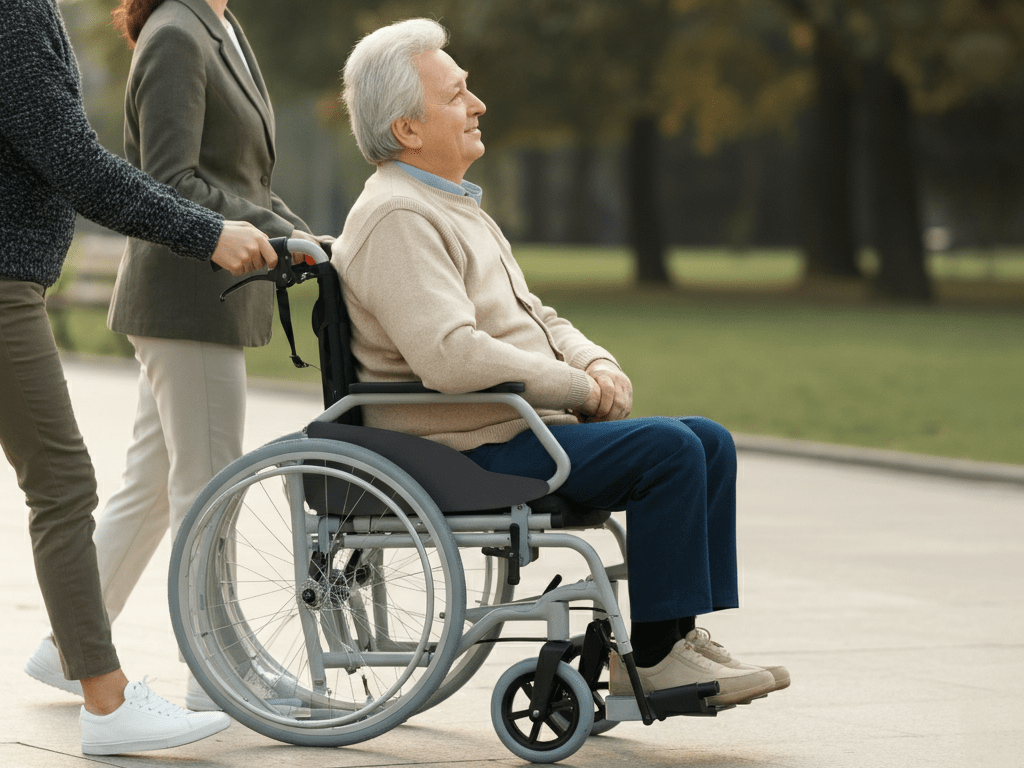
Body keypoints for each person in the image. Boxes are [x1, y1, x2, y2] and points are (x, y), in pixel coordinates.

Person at [332, 18, 790, 707]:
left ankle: (676, 643)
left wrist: (597, 363)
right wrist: (576, 386)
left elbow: (535, 315)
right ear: (407, 130)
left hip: (518, 429)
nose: (477, 104)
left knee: (707, 440)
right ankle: (659, 661)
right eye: (457, 94)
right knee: (670, 450)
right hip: (468, 449)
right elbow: (450, 356)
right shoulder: (397, 216)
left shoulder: (452, 206)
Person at [23, 0, 327, 713]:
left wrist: (301, 235)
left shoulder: (218, 26)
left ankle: (66, 650)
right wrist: (280, 239)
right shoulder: (175, 36)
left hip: (205, 297)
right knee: (209, 487)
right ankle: (218, 671)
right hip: (187, 296)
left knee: (152, 488)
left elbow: (242, 179)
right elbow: (168, 181)